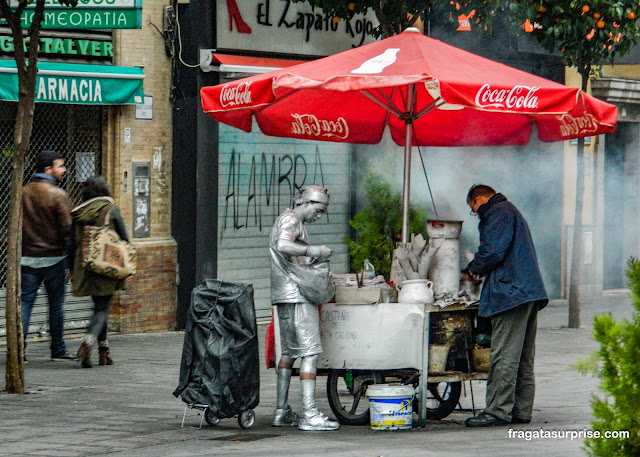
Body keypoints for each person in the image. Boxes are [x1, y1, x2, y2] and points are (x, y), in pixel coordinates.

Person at [461, 184, 548, 427]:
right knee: (522, 357)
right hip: (526, 292)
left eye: (474, 208)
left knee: (504, 355)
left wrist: (472, 269)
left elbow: (492, 252)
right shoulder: (510, 211)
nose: (476, 213)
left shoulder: (498, 212)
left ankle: (497, 411)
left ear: (479, 199)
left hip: (511, 293)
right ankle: (520, 411)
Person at [270, 185, 339, 431]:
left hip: (284, 293)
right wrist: (314, 250)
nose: (318, 216)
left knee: (288, 353)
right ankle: (309, 414)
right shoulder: (291, 219)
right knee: (310, 353)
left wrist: (311, 257)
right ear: (306, 203)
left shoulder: (290, 219)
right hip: (298, 293)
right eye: (318, 210)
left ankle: (281, 411)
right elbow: (283, 245)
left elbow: (290, 254)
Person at [69, 176, 130, 368]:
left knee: (98, 305)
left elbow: (70, 244)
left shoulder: (79, 212)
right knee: (103, 308)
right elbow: (124, 239)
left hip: (85, 265)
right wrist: (128, 265)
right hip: (107, 264)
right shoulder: (111, 209)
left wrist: (70, 268)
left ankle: (104, 352)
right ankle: (88, 341)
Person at [21, 150, 75, 361]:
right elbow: (68, 230)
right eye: (60, 166)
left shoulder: (22, 192)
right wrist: (71, 260)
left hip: (27, 257)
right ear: (47, 170)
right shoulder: (58, 195)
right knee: (56, 305)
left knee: (25, 303)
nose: (64, 170)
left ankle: (19, 351)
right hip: (54, 258)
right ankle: (58, 349)